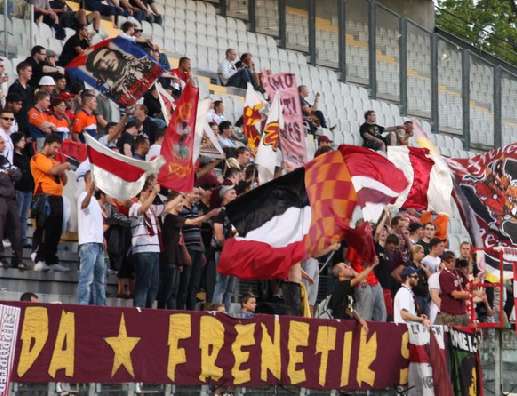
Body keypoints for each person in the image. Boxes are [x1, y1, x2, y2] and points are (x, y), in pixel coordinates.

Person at [30, 133, 70, 272]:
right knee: (44, 229)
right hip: (43, 197)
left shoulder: (54, 160)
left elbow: (64, 181)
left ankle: (50, 259)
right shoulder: (38, 157)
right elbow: (52, 170)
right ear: (47, 144)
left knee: (56, 231)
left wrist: (62, 169)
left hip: (57, 197)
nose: (56, 151)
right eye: (54, 147)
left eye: (58, 148)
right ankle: (39, 259)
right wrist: (63, 165)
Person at [129, 177, 163, 308]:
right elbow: (141, 210)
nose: (151, 195)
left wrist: (182, 194)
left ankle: (147, 311)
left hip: (154, 250)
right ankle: (139, 311)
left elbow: (167, 207)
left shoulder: (151, 209)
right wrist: (154, 192)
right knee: (143, 284)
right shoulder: (134, 206)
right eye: (148, 192)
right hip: (143, 251)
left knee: (154, 285)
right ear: (141, 193)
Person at [77, 170, 106, 305]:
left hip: (98, 244)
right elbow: (83, 205)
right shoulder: (83, 195)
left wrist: (102, 239)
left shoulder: (95, 201)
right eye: (94, 179)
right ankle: (83, 305)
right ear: (87, 181)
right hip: (88, 244)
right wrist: (90, 192)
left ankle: (101, 307)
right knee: (87, 278)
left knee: (100, 280)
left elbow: (96, 223)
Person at [158, 192, 186, 309]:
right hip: (167, 258)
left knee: (173, 291)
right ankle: (161, 313)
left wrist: (179, 261)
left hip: (175, 259)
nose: (182, 205)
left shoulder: (175, 219)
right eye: (179, 202)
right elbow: (168, 207)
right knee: (167, 289)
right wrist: (207, 216)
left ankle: (170, 315)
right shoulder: (167, 216)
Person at [328, 261, 377, 329]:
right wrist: (372, 265)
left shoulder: (348, 289)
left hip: (343, 324)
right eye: (345, 267)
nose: (349, 267)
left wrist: (359, 319)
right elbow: (359, 278)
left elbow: (350, 308)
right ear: (341, 274)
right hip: (335, 324)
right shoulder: (340, 284)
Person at [212, 185, 238, 312]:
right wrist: (226, 248)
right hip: (224, 252)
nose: (235, 195)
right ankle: (217, 311)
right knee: (221, 283)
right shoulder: (221, 212)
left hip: (235, 253)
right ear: (224, 195)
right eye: (232, 193)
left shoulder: (237, 212)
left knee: (230, 288)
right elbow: (218, 233)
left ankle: (227, 313)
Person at [0, 136, 23, 269]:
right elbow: (5, 176)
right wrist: (6, 175)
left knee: (16, 227)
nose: (4, 145)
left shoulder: (4, 159)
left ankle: (18, 259)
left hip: (11, 198)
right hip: (1, 197)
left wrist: (9, 174)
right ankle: (1, 257)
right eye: (1, 143)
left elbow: (18, 174)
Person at [435, 251, 471, 326]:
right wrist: (468, 294)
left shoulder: (457, 272)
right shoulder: (444, 275)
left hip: (461, 311)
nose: (451, 263)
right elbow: (454, 294)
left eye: (453, 261)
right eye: (449, 261)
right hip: (450, 314)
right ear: (444, 262)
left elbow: (468, 284)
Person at [12, 133, 33, 249]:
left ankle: (23, 238)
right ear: (15, 142)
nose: (24, 142)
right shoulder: (13, 156)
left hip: (28, 189)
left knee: (24, 216)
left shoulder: (25, 155)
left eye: (24, 140)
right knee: (17, 215)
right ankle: (15, 238)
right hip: (18, 188)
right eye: (21, 140)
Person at [7, 62, 33, 136]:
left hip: (29, 123)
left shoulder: (29, 88)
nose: (31, 73)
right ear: (21, 71)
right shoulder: (14, 87)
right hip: (18, 123)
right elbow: (11, 107)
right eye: (29, 71)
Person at [407, 244, 431, 317]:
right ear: (415, 253)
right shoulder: (410, 266)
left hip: (425, 297)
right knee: (417, 318)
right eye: (421, 252)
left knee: (427, 320)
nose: (423, 255)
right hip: (415, 296)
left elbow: (431, 279)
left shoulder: (424, 267)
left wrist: (426, 271)